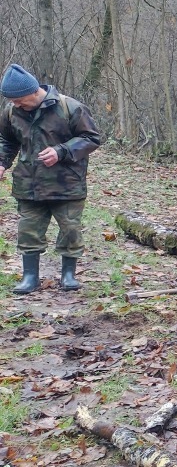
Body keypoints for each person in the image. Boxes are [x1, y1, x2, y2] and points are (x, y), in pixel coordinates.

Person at [0, 64, 103, 295]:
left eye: (18, 100)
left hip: (67, 183)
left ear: (34, 92)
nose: (15, 105)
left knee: (70, 229)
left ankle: (68, 275)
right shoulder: (11, 112)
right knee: (28, 230)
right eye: (12, 101)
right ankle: (30, 277)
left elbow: (91, 138)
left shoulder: (70, 107)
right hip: (28, 184)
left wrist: (61, 151)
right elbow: (6, 140)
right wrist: (2, 162)